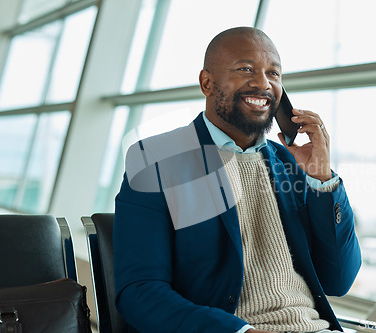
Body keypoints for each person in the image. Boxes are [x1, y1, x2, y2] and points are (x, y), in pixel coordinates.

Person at [114, 26, 361, 333]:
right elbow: (139, 291)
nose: (262, 83)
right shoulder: (157, 158)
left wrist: (322, 178)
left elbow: (338, 279)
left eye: (274, 73)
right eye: (246, 69)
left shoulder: (289, 163)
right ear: (207, 82)